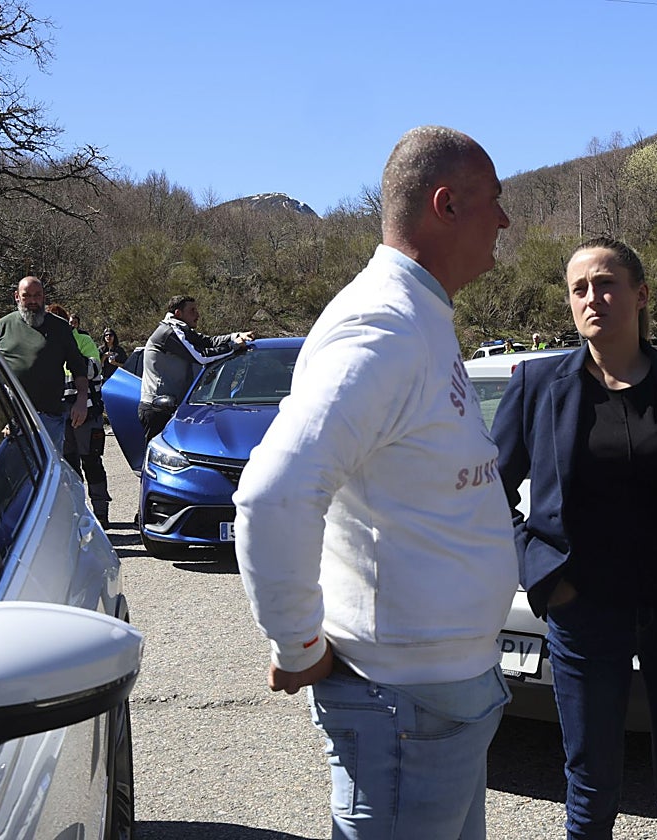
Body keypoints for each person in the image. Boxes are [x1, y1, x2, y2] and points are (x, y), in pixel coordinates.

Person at [233, 125, 518, 840]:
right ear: (445, 205)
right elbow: (274, 493)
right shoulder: (383, 327)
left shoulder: (420, 315)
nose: (506, 221)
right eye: (495, 201)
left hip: (433, 706)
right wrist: (297, 647)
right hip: (403, 710)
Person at [491, 237, 657, 839]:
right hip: (582, 607)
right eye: (579, 288)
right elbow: (488, 493)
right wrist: (543, 574)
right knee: (591, 777)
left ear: (640, 294)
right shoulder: (537, 385)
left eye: (606, 283)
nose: (592, 298)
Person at [138, 295, 252, 443]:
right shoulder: (169, 332)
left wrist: (235, 336)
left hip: (174, 407)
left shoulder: (181, 330)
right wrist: (234, 346)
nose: (197, 315)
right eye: (192, 311)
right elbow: (201, 357)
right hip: (158, 409)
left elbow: (207, 341)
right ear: (178, 313)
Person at [0, 276, 89, 450]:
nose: (32, 301)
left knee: (50, 473)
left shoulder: (60, 328)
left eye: (37, 295)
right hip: (11, 419)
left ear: (44, 296)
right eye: (26, 296)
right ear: (16, 297)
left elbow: (78, 367)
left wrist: (82, 399)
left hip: (49, 419)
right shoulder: (4, 326)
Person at [48, 303, 112, 528]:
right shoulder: (44, 344)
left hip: (88, 412)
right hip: (59, 414)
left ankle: (102, 513)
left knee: (92, 462)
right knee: (69, 466)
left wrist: (68, 355)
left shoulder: (82, 341)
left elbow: (95, 369)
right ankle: (77, 513)